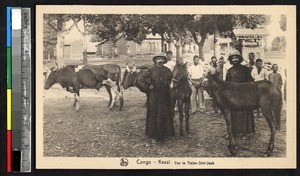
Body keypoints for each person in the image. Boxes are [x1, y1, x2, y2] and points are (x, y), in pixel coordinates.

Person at [138, 52, 175, 142]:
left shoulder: (167, 70)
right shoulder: (151, 70)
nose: (160, 61)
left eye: (162, 59)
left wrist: (168, 86)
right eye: (158, 59)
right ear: (155, 60)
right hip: (154, 95)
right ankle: (153, 133)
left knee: (165, 113)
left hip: (165, 95)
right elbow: (140, 79)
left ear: (164, 60)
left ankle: (166, 133)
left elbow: (171, 80)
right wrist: (148, 86)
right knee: (155, 113)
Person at [225, 50, 255, 139]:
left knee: (245, 114)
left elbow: (250, 82)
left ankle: (245, 133)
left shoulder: (245, 69)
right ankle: (233, 132)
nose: (235, 60)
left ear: (239, 59)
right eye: (233, 58)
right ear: (231, 60)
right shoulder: (229, 71)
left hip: (244, 95)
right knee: (233, 114)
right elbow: (227, 84)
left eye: (236, 58)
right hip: (233, 96)